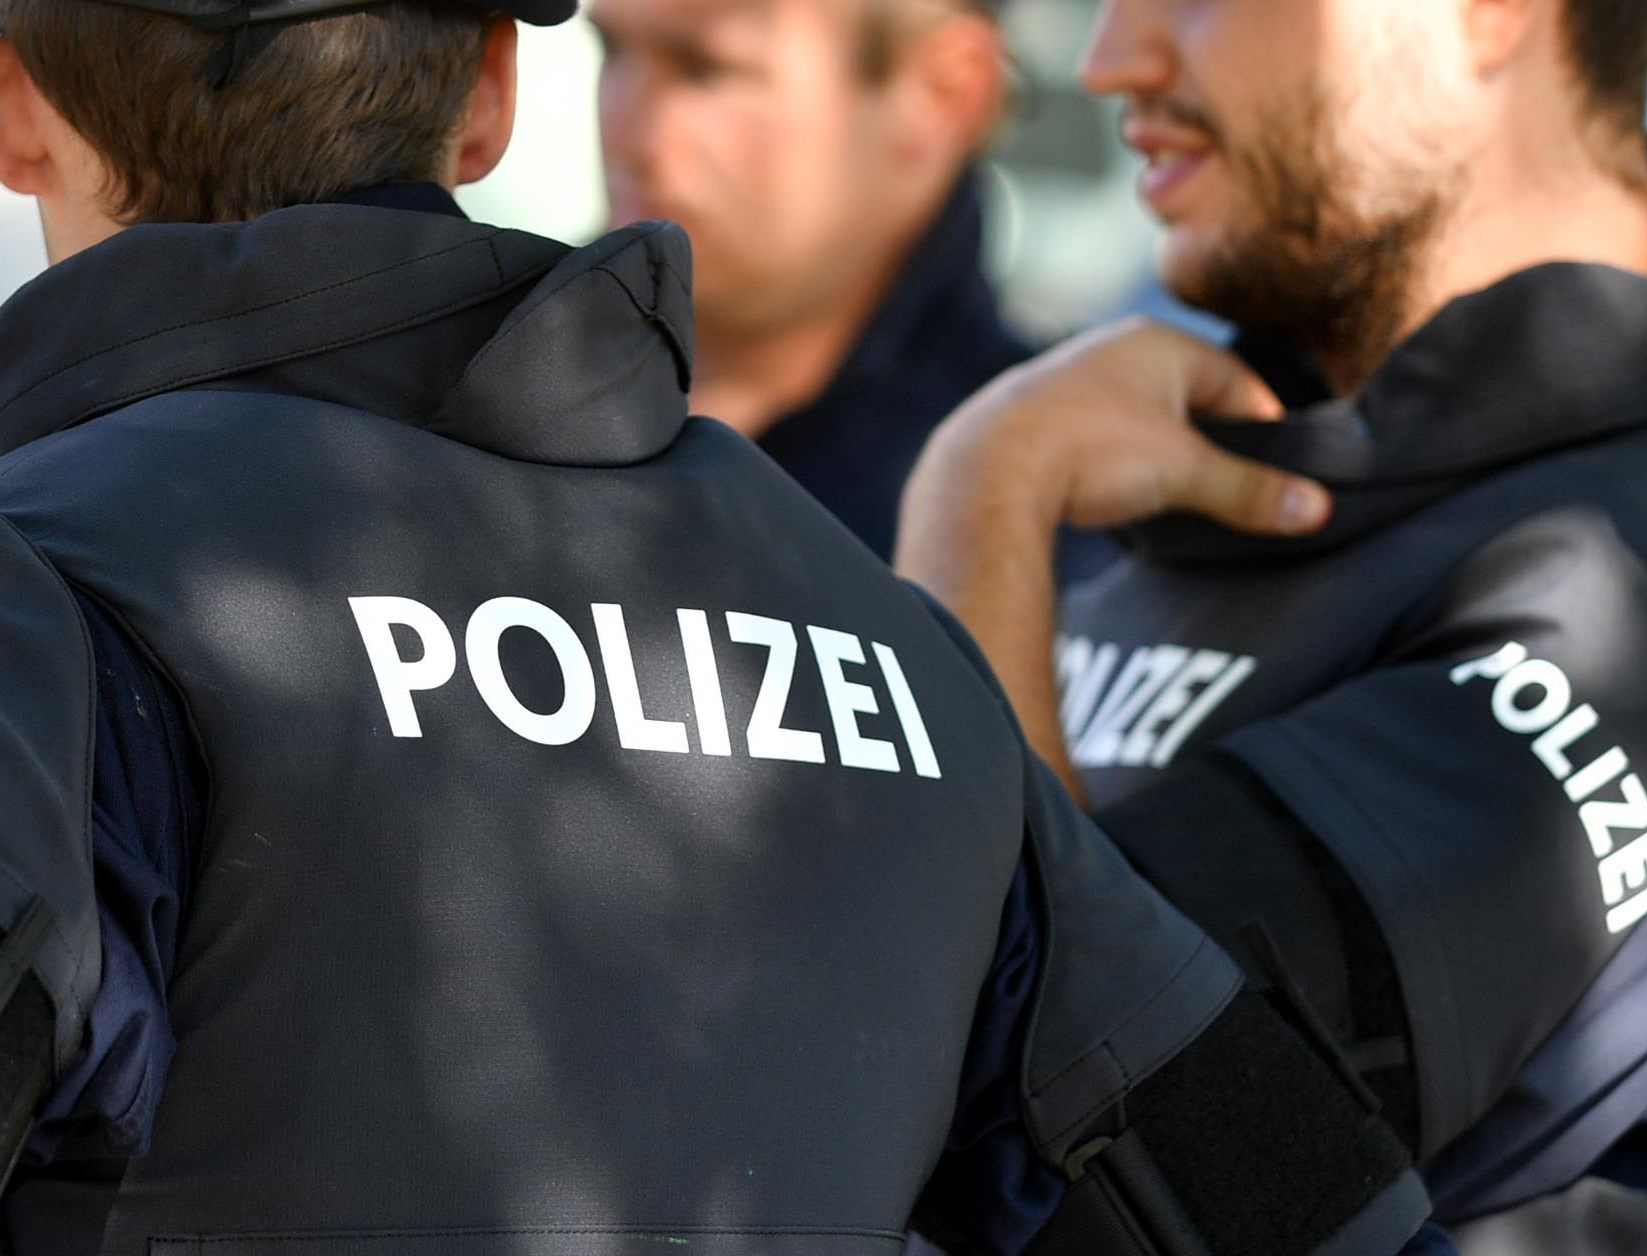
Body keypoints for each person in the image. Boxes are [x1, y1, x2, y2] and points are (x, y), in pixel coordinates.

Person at [0, 1, 1438, 1253]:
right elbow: (1285, 1206)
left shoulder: (53, 585)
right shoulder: (881, 634)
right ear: (493, 95)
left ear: (15, 109)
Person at [897, 0, 1647, 1248]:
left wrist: (976, 498)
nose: (1111, 59)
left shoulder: (1626, 583)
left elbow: (1086, 1172)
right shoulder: (1193, 462)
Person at [591, 0, 1110, 578]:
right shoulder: (492, 376)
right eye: (610, 50)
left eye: (706, 68)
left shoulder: (1069, 518)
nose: (629, 133)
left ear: (943, 93)